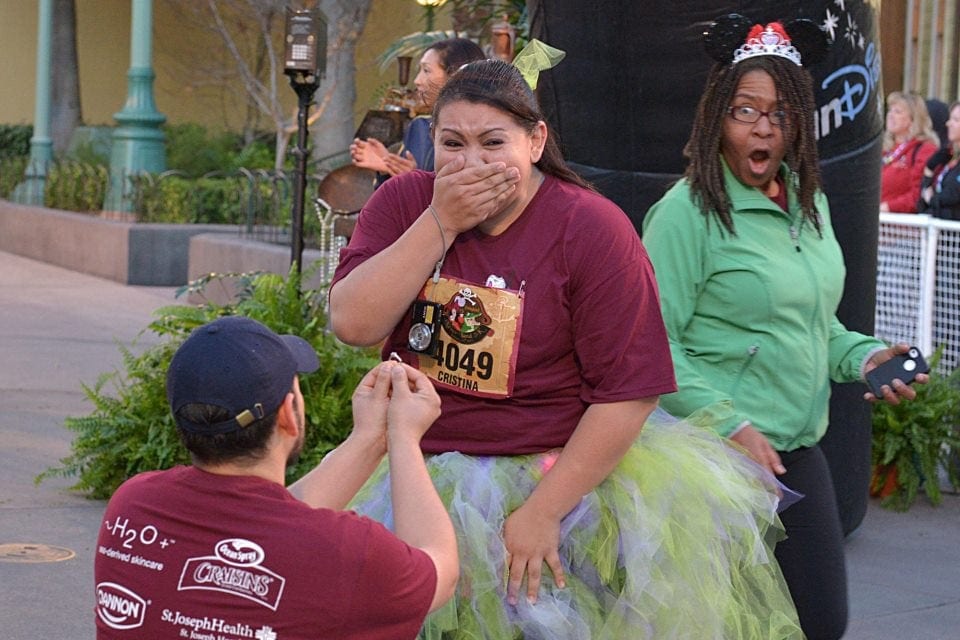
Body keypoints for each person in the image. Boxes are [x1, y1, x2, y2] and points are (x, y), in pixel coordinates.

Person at [330, 58, 803, 639]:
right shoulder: (406, 203)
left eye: (493, 142)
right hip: (416, 474)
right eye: (452, 142)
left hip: (554, 477)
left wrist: (543, 512)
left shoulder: (591, 227)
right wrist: (441, 221)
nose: (471, 161)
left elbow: (629, 393)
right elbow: (353, 322)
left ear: (535, 141)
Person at [642, 16, 928, 640]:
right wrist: (732, 427)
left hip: (795, 451)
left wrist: (865, 358)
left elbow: (814, 325)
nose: (763, 126)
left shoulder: (811, 204)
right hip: (710, 459)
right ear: (717, 117)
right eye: (745, 110)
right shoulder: (685, 215)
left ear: (800, 122)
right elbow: (651, 349)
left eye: (780, 113)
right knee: (721, 626)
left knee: (820, 622)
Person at [94, 315, 458, 639]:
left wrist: (370, 440)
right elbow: (439, 566)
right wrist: (405, 439)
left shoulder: (133, 506)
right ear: (288, 412)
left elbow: (273, 526)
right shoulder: (347, 549)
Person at [350, 38, 486, 182]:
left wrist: (417, 181)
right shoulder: (420, 129)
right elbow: (394, 198)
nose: (417, 81)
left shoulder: (486, 132)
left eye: (426, 71)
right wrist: (387, 166)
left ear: (455, 77)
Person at [880, 91, 939, 213]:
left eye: (897, 112)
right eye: (890, 110)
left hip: (904, 227)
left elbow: (917, 195)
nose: (890, 115)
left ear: (913, 119)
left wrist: (888, 207)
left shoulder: (924, 150)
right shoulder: (884, 150)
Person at [919, 101, 960, 220]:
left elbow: (953, 196)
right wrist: (929, 169)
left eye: (956, 120)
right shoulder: (946, 157)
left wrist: (932, 199)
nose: (948, 124)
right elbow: (922, 200)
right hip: (936, 231)